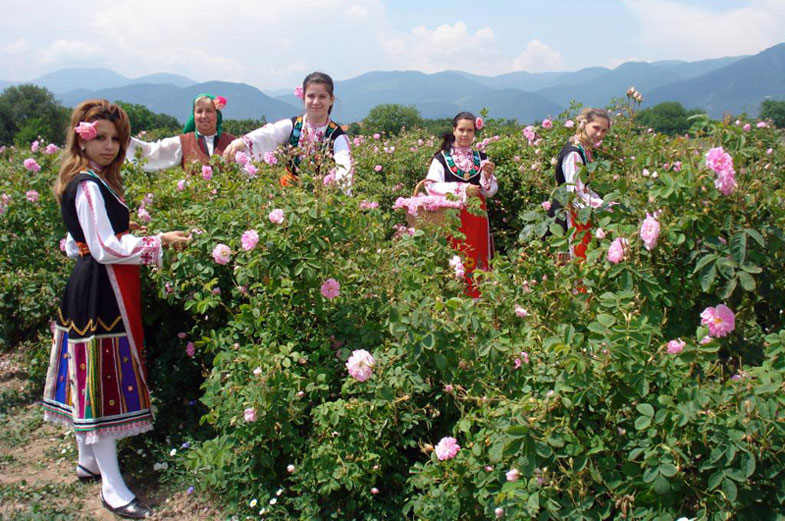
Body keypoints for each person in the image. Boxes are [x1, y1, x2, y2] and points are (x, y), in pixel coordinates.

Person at [43, 99, 190, 518]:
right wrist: (158, 243)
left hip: (90, 284)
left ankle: (87, 461)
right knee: (101, 382)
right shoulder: (88, 184)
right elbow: (106, 247)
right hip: (100, 293)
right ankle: (111, 484)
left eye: (115, 139)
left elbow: (77, 243)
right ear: (82, 140)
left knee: (88, 374)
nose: (109, 147)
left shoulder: (85, 181)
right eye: (101, 138)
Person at [222, 72, 352, 189]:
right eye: (311, 96)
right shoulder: (294, 126)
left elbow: (344, 165)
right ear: (303, 98)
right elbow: (269, 134)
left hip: (323, 199)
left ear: (331, 100)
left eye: (322, 97)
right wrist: (242, 142)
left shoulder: (337, 136)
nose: (316, 101)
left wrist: (340, 193)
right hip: (289, 195)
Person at [425, 112, 497, 298]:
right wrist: (463, 189)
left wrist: (487, 176)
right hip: (451, 218)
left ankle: (478, 298)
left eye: (469, 130)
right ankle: (453, 297)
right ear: (454, 130)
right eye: (461, 130)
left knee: (477, 255)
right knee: (454, 255)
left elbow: (489, 191)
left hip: (477, 218)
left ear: (475, 133)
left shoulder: (481, 158)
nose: (465, 134)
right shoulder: (441, 158)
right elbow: (431, 186)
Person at [547, 107, 611, 260]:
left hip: (571, 212)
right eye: (596, 128)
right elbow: (575, 195)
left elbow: (583, 188)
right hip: (567, 217)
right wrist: (603, 205)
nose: (599, 134)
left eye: (604, 131)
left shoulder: (581, 149)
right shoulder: (574, 153)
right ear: (584, 124)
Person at [126, 93, 235, 170]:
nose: (203, 116)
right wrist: (123, 139)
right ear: (193, 115)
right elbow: (152, 151)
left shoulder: (233, 143)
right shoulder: (184, 142)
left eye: (209, 111)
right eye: (199, 111)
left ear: (217, 115)